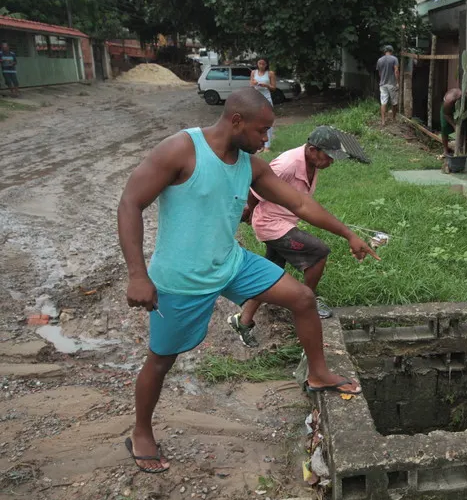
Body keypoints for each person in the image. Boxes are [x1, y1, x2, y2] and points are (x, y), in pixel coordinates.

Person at [117, 88, 377, 473]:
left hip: (231, 261)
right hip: (181, 277)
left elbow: (300, 205)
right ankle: (141, 431)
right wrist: (137, 274)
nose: (267, 139)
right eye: (263, 130)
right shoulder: (180, 150)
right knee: (161, 360)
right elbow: (130, 203)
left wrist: (349, 234)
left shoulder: (250, 165)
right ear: (236, 121)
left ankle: (318, 374)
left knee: (303, 299)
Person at [231, 126, 348, 346]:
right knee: (318, 252)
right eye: (329, 157)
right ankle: (306, 305)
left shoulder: (311, 163)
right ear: (313, 150)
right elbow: (255, 189)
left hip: (284, 221)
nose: (331, 162)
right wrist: (249, 212)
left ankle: (243, 320)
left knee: (270, 274)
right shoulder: (287, 165)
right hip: (271, 224)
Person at [440, 88, 467, 156]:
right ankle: (445, 150)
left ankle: (459, 149)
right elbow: (446, 114)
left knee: (461, 127)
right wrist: (454, 125)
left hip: (461, 111)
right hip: (447, 112)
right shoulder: (448, 102)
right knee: (444, 127)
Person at [250, 58, 277, 149]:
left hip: (266, 98)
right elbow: (251, 84)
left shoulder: (270, 73)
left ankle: (267, 145)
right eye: (259, 63)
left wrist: (266, 85)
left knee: (267, 120)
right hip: (256, 98)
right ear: (257, 64)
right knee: (257, 121)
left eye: (263, 64)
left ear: (266, 64)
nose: (261, 65)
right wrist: (254, 83)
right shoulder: (253, 72)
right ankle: (259, 144)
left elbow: (274, 88)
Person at [376, 45, 399, 126]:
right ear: (391, 51)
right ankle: (394, 118)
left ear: (384, 51)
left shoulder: (379, 60)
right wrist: (397, 82)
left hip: (382, 84)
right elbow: (396, 71)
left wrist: (382, 80)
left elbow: (379, 73)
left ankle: (383, 121)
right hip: (392, 84)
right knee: (394, 102)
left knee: (383, 102)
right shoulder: (394, 59)